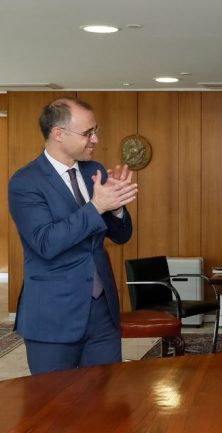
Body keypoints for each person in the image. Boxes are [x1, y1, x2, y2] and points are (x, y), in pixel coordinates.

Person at [9, 97, 137, 374]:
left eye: (96, 130)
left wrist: (116, 209)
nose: (96, 139)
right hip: (52, 313)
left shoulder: (95, 171)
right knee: (54, 407)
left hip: (101, 311)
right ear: (58, 134)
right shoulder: (25, 182)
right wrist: (97, 206)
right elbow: (45, 243)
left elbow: (121, 235)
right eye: (88, 133)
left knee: (105, 401)